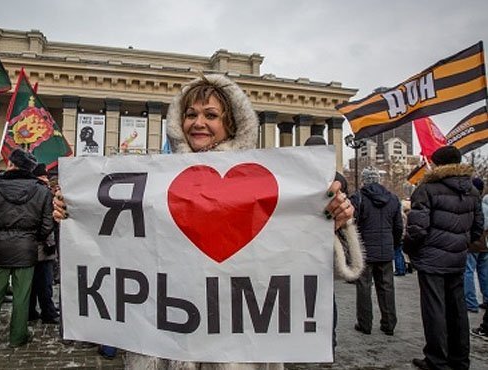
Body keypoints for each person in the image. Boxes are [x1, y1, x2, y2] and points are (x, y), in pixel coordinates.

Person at [54, 75, 362, 369]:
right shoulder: (154, 181)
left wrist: (327, 224)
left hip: (237, 347)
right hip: (165, 343)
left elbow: (294, 262)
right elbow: (119, 247)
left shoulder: (263, 184)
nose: (198, 123)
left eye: (211, 115)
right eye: (191, 114)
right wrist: (76, 213)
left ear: (231, 122)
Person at [405, 145, 483, 370]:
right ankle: (460, 359)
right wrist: (461, 243)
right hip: (457, 257)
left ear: (437, 164)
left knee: (434, 310)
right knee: (457, 311)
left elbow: (417, 229)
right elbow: (478, 227)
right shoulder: (472, 190)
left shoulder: (427, 188)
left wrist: (410, 248)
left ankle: (437, 360)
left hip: (431, 259)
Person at [0, 149, 54, 348]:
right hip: (26, 248)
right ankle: (18, 337)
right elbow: (47, 225)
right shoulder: (42, 190)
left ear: (11, 164)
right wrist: (32, 238)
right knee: (22, 295)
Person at [350, 167, 403, 336]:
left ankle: (365, 324)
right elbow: (398, 227)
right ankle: (389, 324)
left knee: (364, 287)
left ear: (364, 180)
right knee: (387, 287)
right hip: (386, 249)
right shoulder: (393, 199)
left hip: (364, 250)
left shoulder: (358, 199)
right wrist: (392, 244)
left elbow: (352, 225)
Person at [28, 163, 60, 325]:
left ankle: (30, 311)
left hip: (27, 244)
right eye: (44, 176)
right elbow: (48, 222)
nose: (47, 180)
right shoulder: (44, 193)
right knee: (45, 281)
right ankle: (48, 312)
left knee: (31, 282)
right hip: (43, 244)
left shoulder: (28, 191)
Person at [464, 177, 488, 313]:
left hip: (473, 243)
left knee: (468, 272)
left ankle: (470, 302)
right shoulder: (485, 206)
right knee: (484, 273)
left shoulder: (470, 204)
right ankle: (486, 300)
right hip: (484, 243)